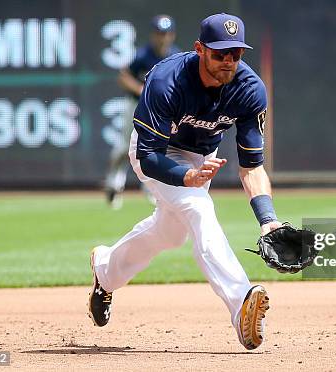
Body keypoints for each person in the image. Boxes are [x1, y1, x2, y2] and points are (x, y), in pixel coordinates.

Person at [88, 13, 282, 350]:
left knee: (170, 232)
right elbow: (148, 156)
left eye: (235, 53)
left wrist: (268, 220)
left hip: (199, 157)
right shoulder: (167, 79)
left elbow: (252, 166)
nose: (228, 61)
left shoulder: (249, 90)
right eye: (220, 53)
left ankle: (105, 270)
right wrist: (185, 177)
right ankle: (241, 303)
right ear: (200, 49)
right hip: (157, 151)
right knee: (197, 209)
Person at [105, 14, 181, 209]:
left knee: (159, 147)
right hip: (136, 105)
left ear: (172, 35)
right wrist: (140, 89)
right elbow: (123, 76)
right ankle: (113, 185)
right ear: (153, 35)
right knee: (124, 147)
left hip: (161, 110)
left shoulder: (176, 55)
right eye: (159, 33)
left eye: (166, 33)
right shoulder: (143, 55)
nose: (162, 37)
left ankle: (151, 188)